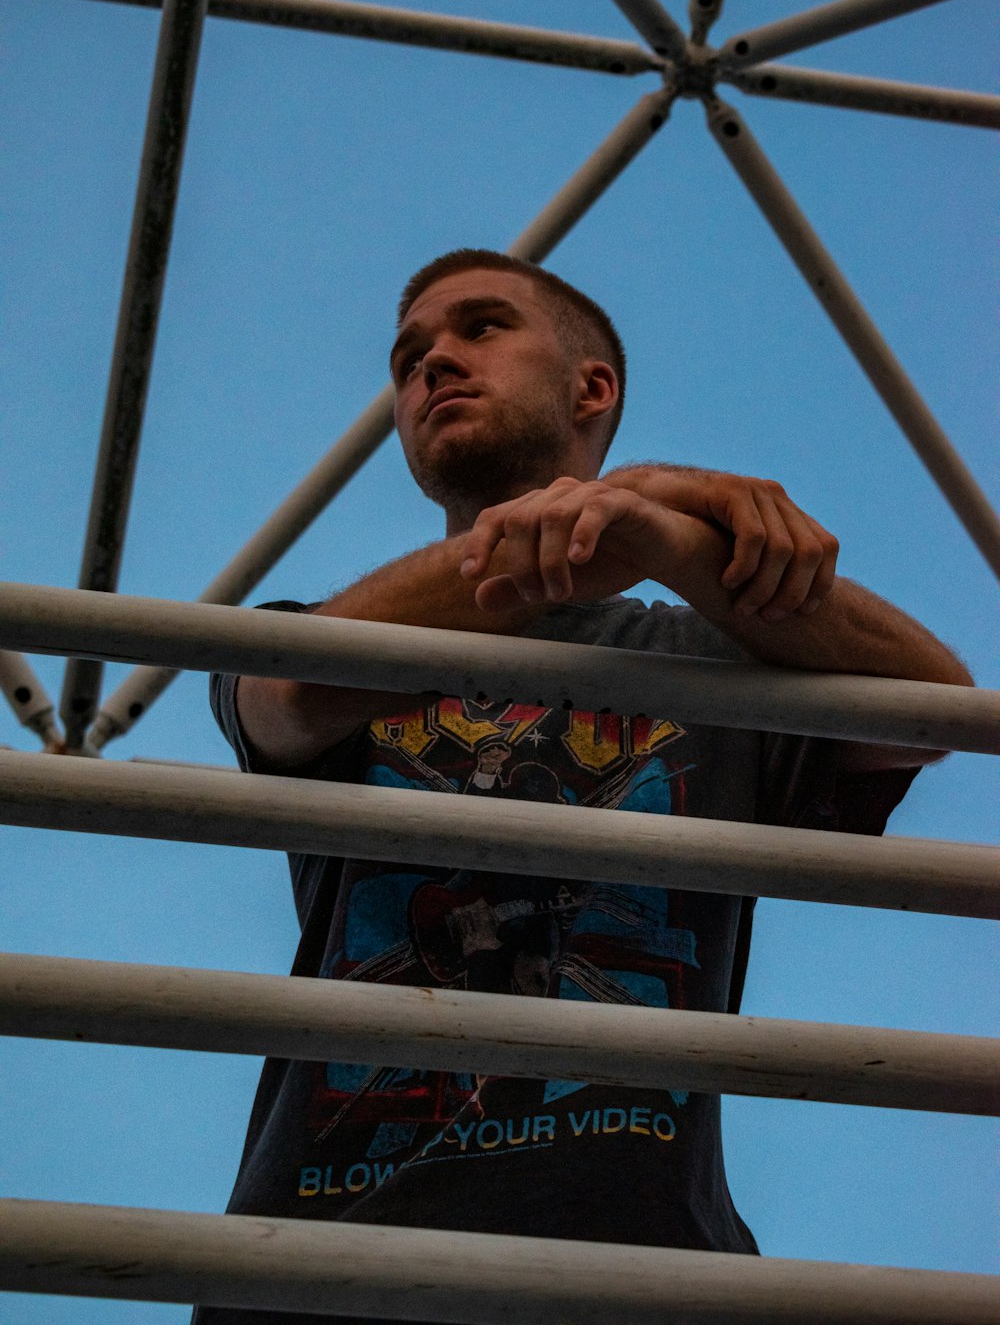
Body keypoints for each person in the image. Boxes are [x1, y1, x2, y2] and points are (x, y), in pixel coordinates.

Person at [197, 249, 970, 1324]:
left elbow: (933, 710)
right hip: (326, 1266)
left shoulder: (712, 663)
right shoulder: (305, 631)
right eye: (410, 355)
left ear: (590, 388)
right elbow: (284, 692)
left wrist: (657, 528)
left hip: (648, 1276)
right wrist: (615, 517)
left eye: (478, 328)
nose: (434, 364)